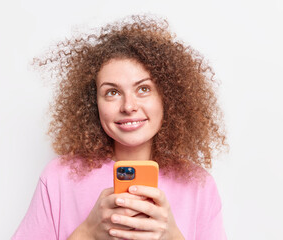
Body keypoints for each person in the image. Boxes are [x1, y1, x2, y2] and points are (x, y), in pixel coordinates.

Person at [12, 15, 228, 240]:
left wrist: (173, 236)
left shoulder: (199, 186)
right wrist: (87, 233)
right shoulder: (58, 178)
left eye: (143, 89)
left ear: (167, 97)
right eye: (112, 92)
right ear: (93, 103)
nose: (128, 106)